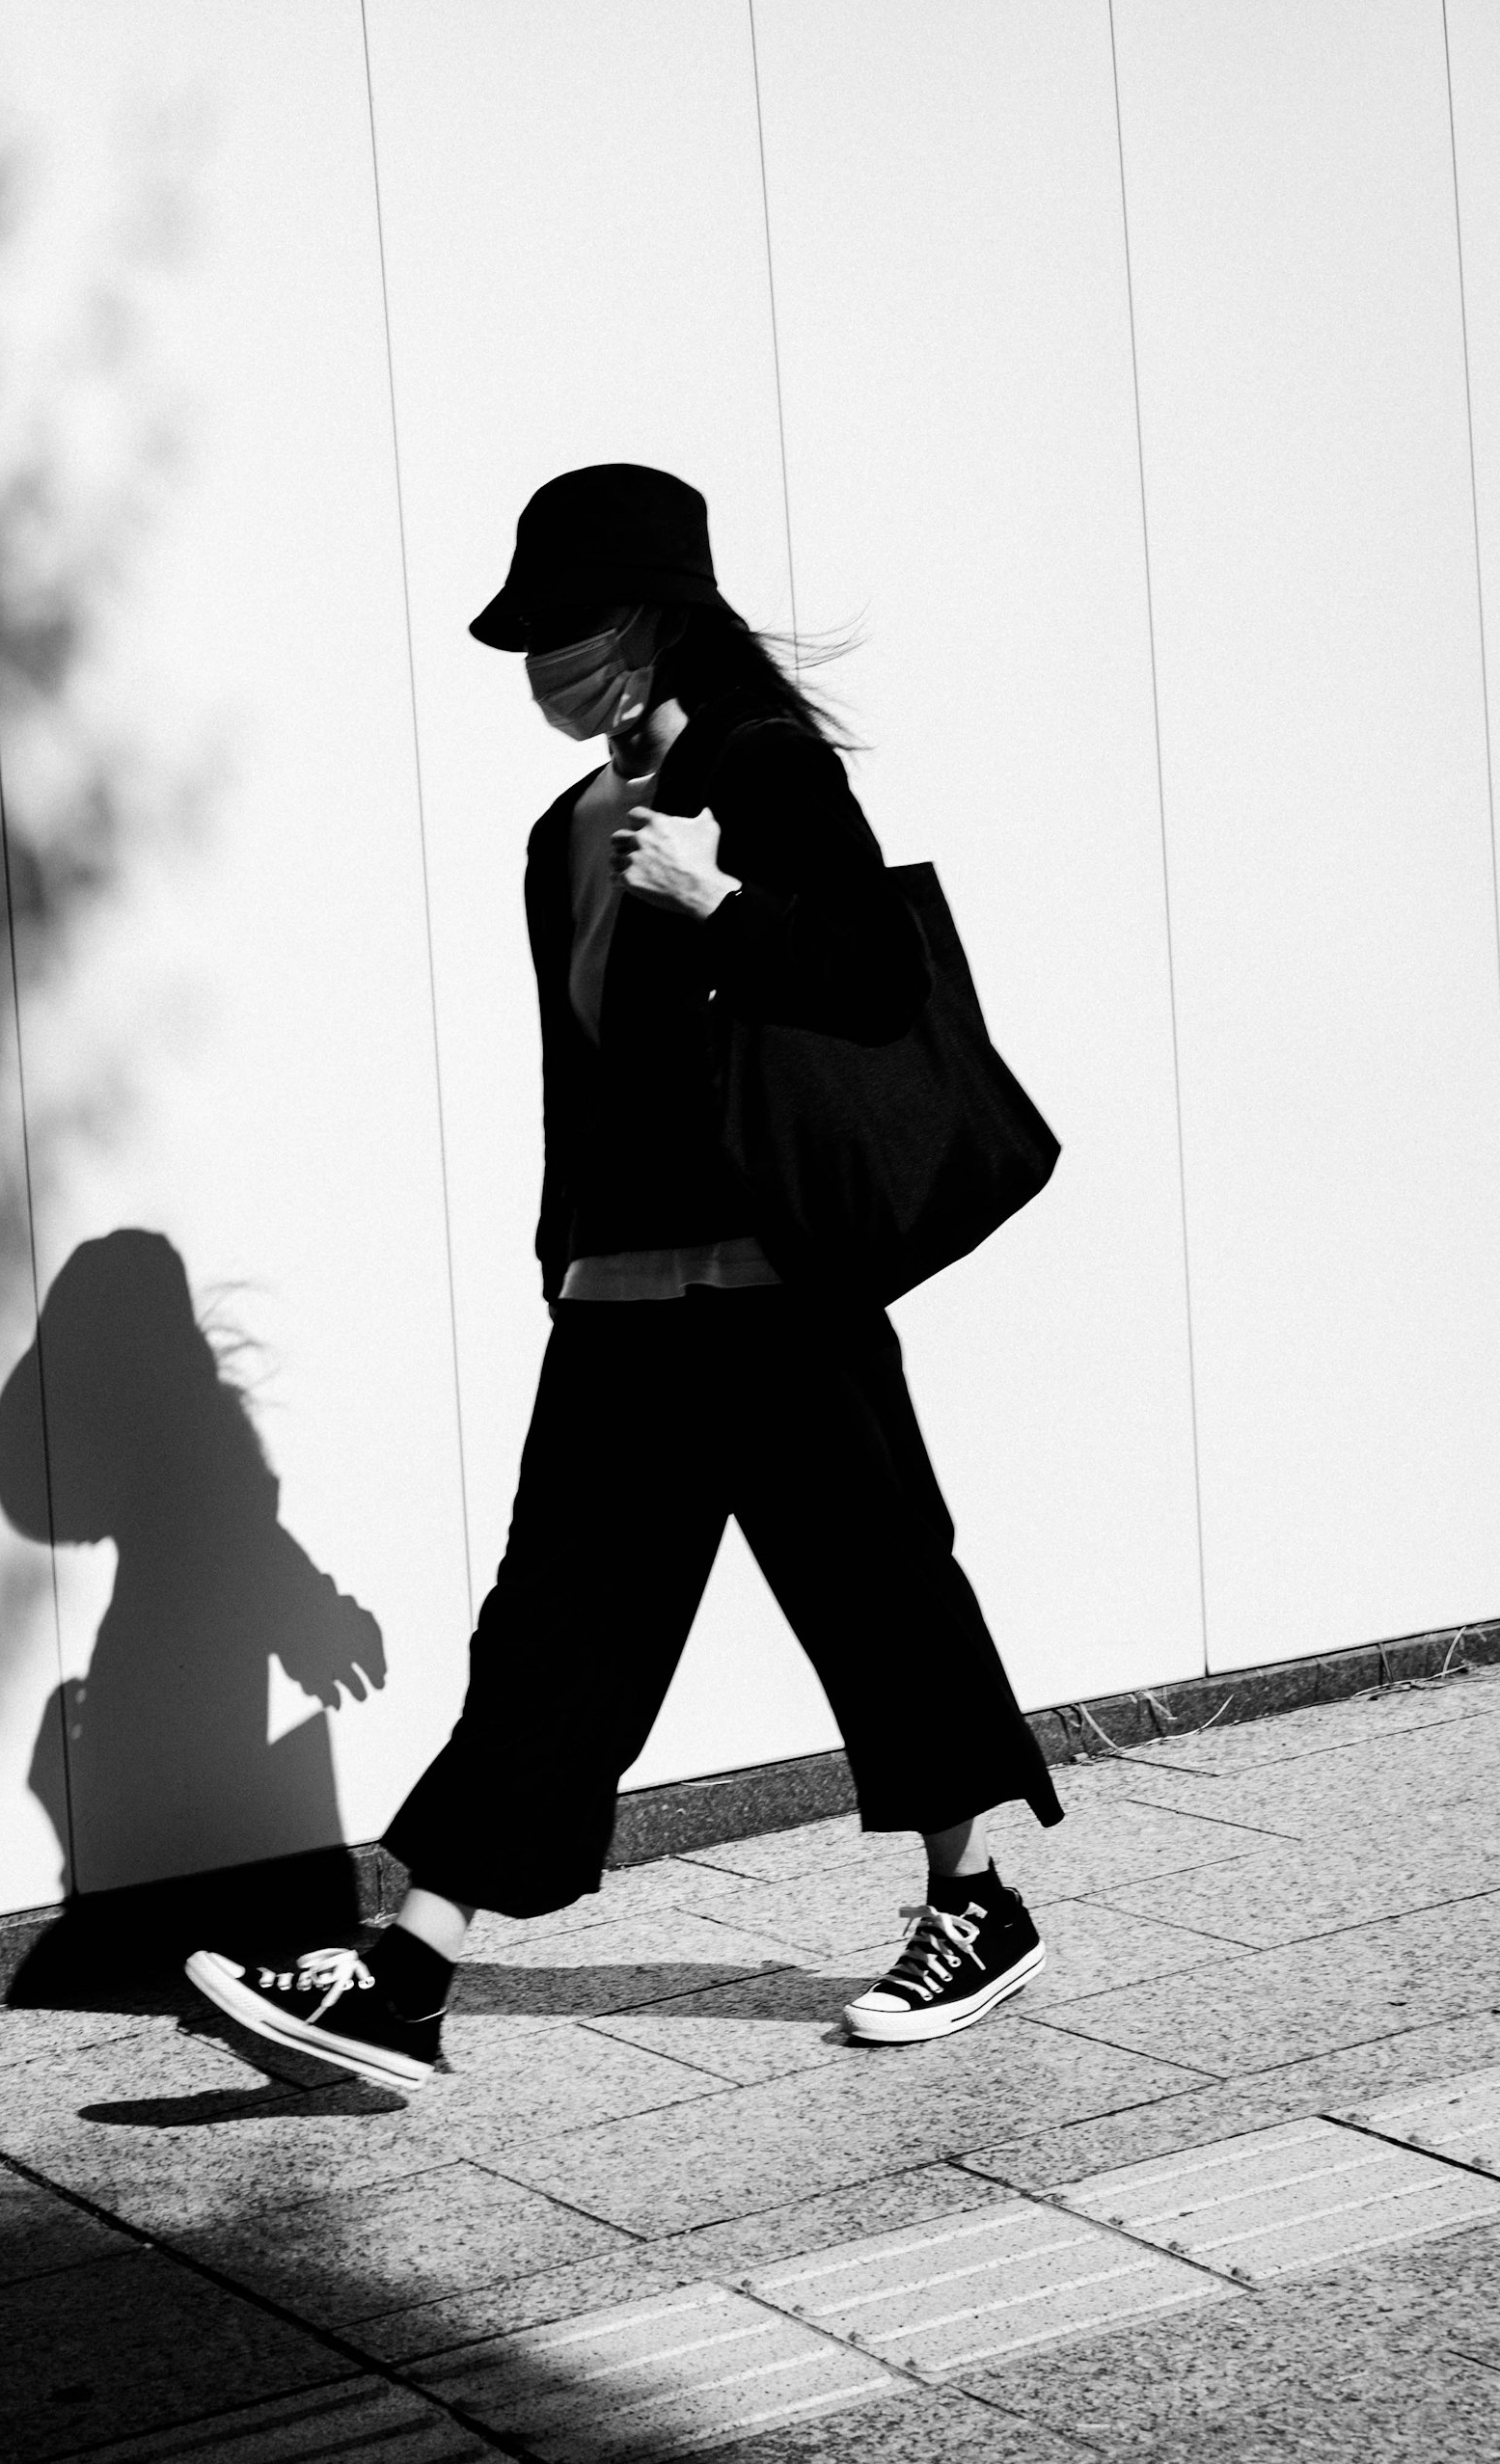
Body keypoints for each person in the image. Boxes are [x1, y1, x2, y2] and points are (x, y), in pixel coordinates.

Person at [186, 464, 1063, 2091]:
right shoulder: (565, 827)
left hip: (773, 1289)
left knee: (873, 1586)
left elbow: (874, 970)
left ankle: (973, 1896)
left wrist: (720, 896)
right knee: (555, 1633)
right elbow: (581, 1077)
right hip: (620, 1296)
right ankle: (409, 1972)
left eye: (566, 631)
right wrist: (562, 1251)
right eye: (524, 641)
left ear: (651, 616)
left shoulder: (762, 764)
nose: (540, 669)